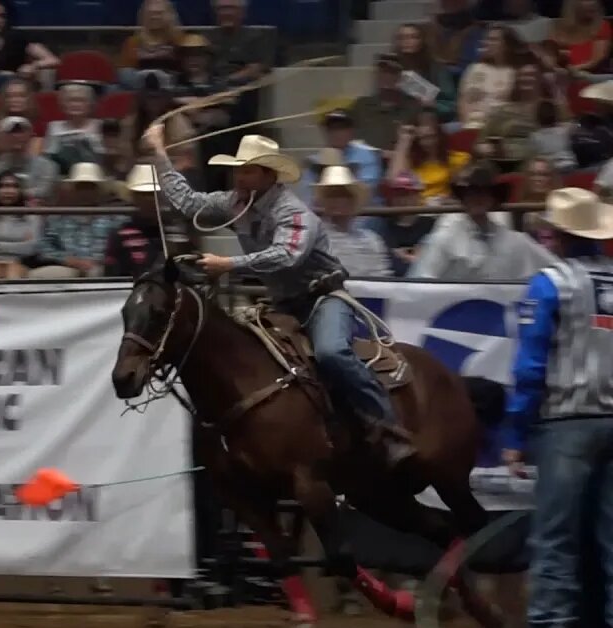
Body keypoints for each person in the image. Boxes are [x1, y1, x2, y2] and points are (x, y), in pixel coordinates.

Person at [143, 125, 418, 471]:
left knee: (332, 353)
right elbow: (187, 202)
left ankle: (389, 427)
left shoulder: (293, 212)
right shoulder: (235, 204)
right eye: (237, 171)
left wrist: (229, 263)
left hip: (322, 297)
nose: (239, 178)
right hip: (283, 304)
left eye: (247, 171)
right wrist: (159, 153)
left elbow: (286, 255)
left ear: (267, 174)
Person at [501, 186, 613, 628]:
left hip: (568, 422)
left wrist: (515, 431)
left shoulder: (550, 284)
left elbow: (530, 366)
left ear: (559, 234)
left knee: (555, 541)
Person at [409, 162, 556, 280]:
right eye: (472, 193)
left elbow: (553, 267)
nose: (478, 199)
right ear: (464, 198)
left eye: (484, 193)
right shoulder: (444, 238)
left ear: (492, 199)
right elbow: (420, 282)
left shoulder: (513, 240)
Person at [313, 165, 393, 278]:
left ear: (353, 200)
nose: (337, 200)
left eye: (343, 194)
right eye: (332, 195)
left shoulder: (372, 240)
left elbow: (383, 279)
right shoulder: (314, 240)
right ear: (324, 201)